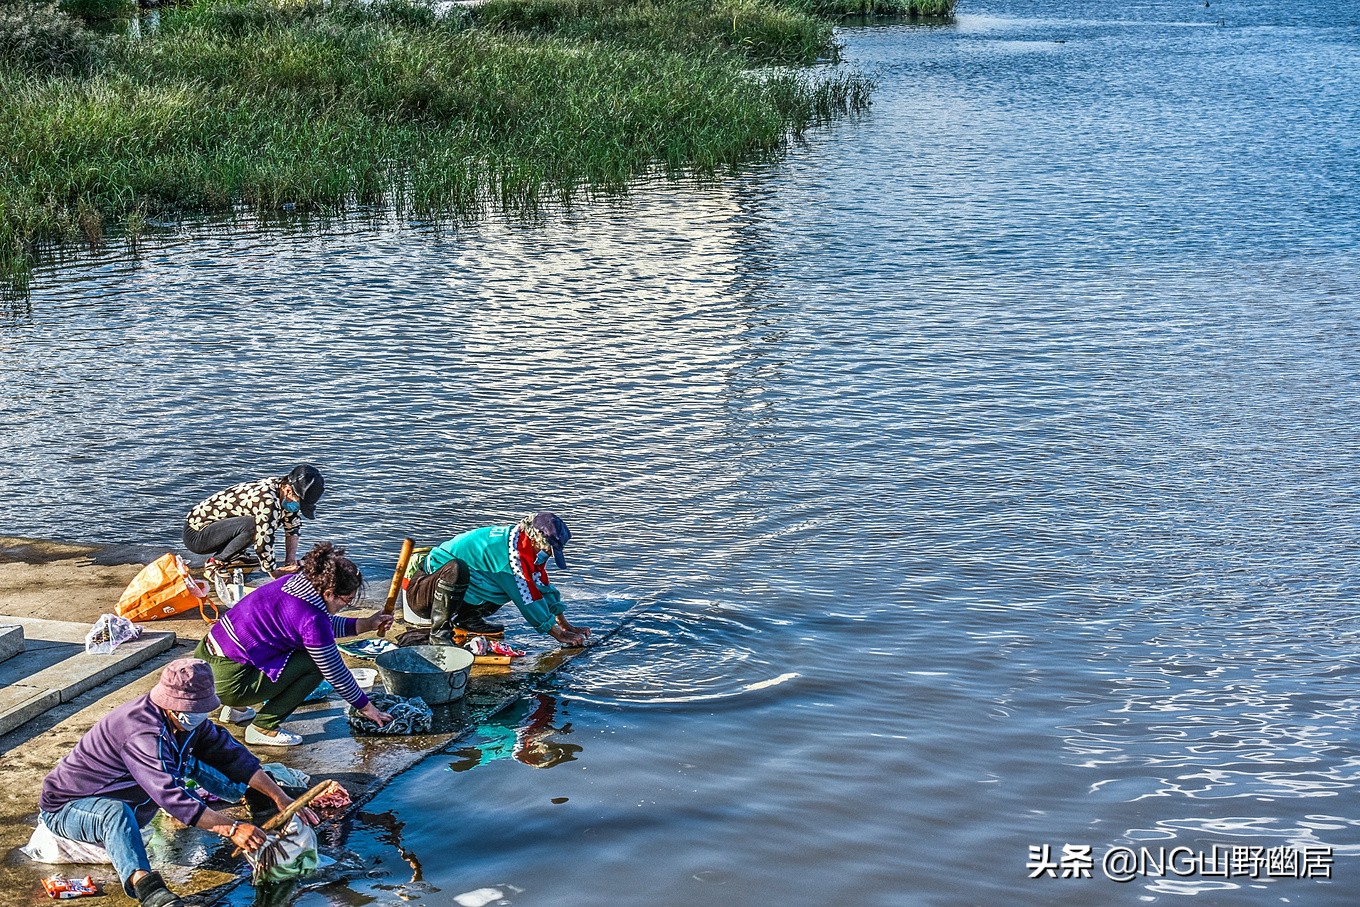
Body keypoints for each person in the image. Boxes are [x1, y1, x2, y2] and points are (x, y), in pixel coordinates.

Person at [38, 658, 318, 907]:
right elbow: (171, 796)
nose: (200, 715)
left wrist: (278, 796)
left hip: (132, 801)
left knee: (196, 757)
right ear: (171, 705)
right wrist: (232, 829)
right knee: (115, 813)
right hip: (69, 807)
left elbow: (231, 755)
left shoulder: (186, 723)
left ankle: (256, 798)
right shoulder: (141, 732)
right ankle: (146, 886)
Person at [194, 542, 393, 745]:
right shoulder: (312, 619)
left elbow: (319, 628)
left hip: (206, 665)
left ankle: (236, 710)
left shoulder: (293, 583)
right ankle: (263, 727)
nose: (346, 606)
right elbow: (334, 670)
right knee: (316, 664)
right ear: (328, 593)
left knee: (274, 642)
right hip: (228, 683)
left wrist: (367, 623)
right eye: (346, 600)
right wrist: (367, 707)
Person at [406, 512, 589, 648]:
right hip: (423, 593)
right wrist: (558, 635)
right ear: (535, 540)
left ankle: (467, 619)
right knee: (459, 569)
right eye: (548, 550)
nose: (547, 555)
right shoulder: (510, 558)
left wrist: (565, 625)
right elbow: (528, 601)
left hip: (455, 592)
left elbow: (541, 586)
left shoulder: (524, 545)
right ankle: (439, 634)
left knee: (506, 586)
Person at [183, 465, 324, 581]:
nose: (298, 508)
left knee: (257, 524)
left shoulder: (283, 492)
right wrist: (275, 573)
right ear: (288, 490)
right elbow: (263, 540)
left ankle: (235, 556)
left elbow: (293, 528)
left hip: (218, 530)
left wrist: (290, 561)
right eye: (300, 503)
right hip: (197, 535)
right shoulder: (267, 499)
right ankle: (215, 563)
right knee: (254, 526)